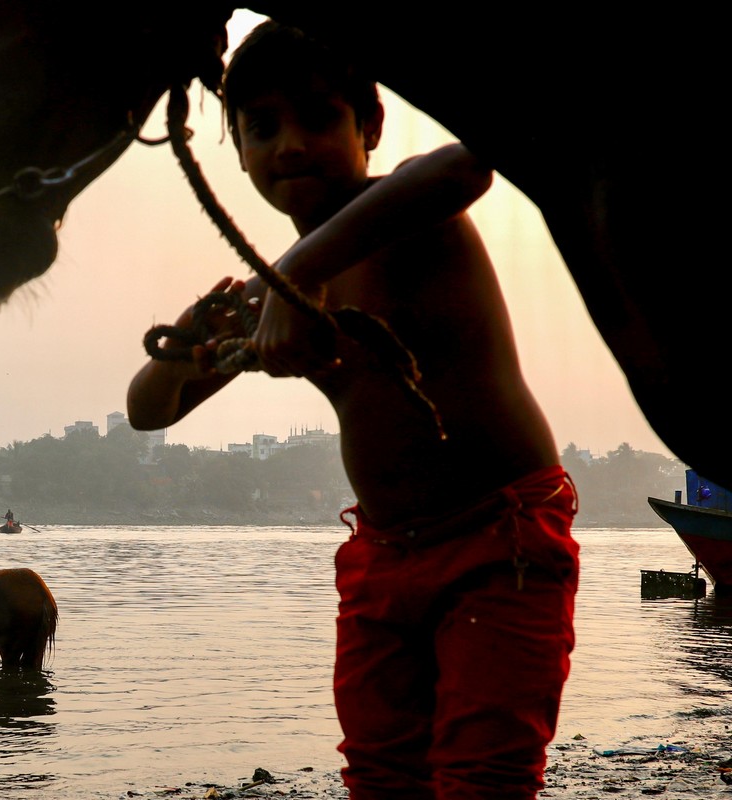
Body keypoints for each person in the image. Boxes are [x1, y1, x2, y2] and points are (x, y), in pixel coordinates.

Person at [127, 20, 579, 799]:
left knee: (483, 778)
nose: (290, 145)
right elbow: (147, 411)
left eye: (317, 117)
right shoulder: (272, 297)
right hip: (380, 562)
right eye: (262, 128)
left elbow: (468, 164)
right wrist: (187, 346)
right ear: (236, 149)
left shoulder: (406, 213)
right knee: (380, 778)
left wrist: (292, 272)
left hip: (498, 540)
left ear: (369, 127)